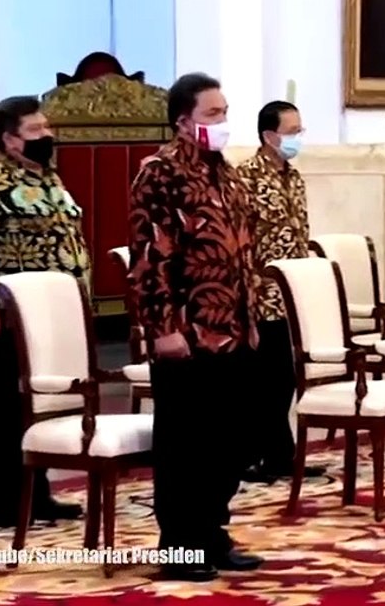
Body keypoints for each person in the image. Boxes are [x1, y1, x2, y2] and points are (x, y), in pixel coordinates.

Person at [128, 73, 264, 581]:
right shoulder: (159, 173)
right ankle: (182, 545)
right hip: (187, 331)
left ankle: (212, 532)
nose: (222, 122)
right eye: (212, 114)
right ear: (183, 121)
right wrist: (162, 328)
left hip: (235, 326)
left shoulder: (225, 173)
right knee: (188, 444)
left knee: (233, 438)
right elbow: (151, 257)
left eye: (225, 112)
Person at [0, 96, 87, 527]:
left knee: (39, 403)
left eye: (47, 127)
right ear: (10, 140)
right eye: (35, 130)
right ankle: (1, 503)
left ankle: (37, 495)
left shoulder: (49, 179)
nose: (47, 135)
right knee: (8, 403)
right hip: (7, 314)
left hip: (49, 316)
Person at [235, 101, 324, 484]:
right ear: (270, 135)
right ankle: (256, 454)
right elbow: (239, 239)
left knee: (285, 378)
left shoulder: (294, 177)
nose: (297, 138)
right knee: (262, 381)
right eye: (292, 131)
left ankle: (279, 453)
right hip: (260, 295)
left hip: (291, 296)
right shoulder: (244, 179)